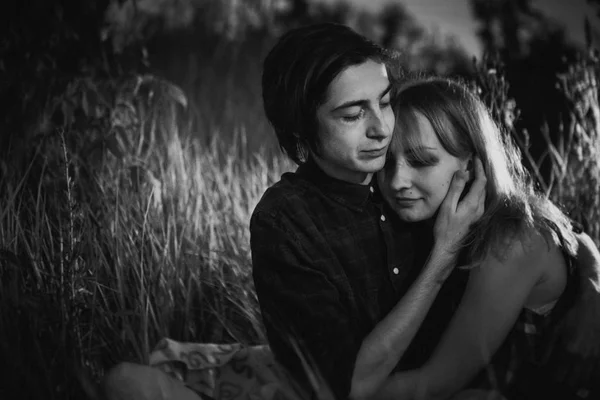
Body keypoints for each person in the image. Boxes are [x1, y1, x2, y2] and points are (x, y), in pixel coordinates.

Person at [252, 22, 600, 400]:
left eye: (385, 102)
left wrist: (590, 277)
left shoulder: (431, 197)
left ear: (472, 163)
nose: (381, 130)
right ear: (302, 130)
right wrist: (442, 258)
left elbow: (547, 231)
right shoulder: (291, 221)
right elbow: (345, 387)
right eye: (353, 115)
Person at [370, 77, 600, 400]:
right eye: (387, 162)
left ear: (471, 163)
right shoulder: (418, 224)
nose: (397, 180)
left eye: (421, 161)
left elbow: (437, 383)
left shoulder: (509, 238)